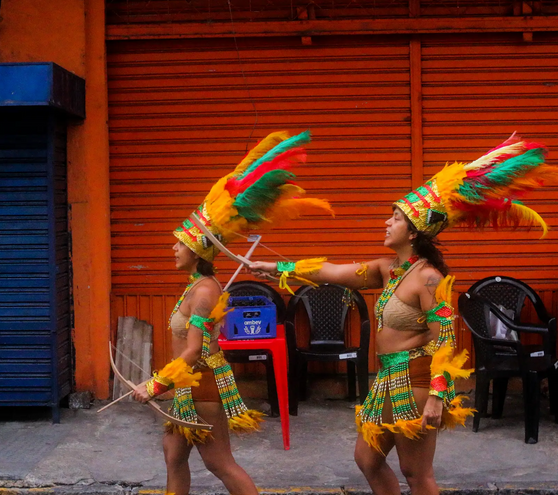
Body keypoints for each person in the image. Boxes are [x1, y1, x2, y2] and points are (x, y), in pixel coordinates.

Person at [249, 135, 557, 495]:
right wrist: (274, 267)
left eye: (394, 219)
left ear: (413, 231)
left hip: (416, 381)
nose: (386, 223)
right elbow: (330, 271)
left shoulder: (428, 278)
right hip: (386, 379)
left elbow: (444, 337)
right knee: (367, 459)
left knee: (415, 472)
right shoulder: (388, 269)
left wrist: (437, 396)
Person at [130, 130, 333, 495]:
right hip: (186, 388)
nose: (174, 248)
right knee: (173, 454)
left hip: (202, 387)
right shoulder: (195, 286)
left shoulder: (205, 291)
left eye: (180, 243)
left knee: (219, 463)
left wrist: (155, 384)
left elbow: (193, 350)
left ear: (197, 250)